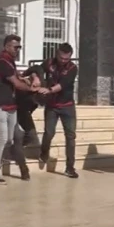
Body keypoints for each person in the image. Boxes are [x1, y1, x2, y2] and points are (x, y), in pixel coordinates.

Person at [0, 35, 48, 184]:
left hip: (11, 106)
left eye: (19, 47)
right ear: (6, 46)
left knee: (9, 138)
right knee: (3, 138)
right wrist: (33, 88)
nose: (18, 50)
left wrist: (32, 77)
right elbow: (17, 84)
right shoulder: (2, 62)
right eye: (15, 47)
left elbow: (24, 74)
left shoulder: (10, 62)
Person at [38, 43, 79, 179]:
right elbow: (37, 70)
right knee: (49, 133)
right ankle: (44, 152)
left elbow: (63, 85)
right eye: (61, 58)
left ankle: (70, 168)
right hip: (52, 106)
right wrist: (35, 78)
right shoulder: (49, 63)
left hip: (67, 106)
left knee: (70, 136)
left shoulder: (72, 68)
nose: (63, 61)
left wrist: (49, 90)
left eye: (66, 59)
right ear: (57, 54)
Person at [15, 63, 45, 147]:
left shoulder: (34, 102)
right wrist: (35, 77)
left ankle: (23, 142)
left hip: (23, 109)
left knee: (31, 134)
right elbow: (37, 67)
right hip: (13, 105)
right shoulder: (38, 81)